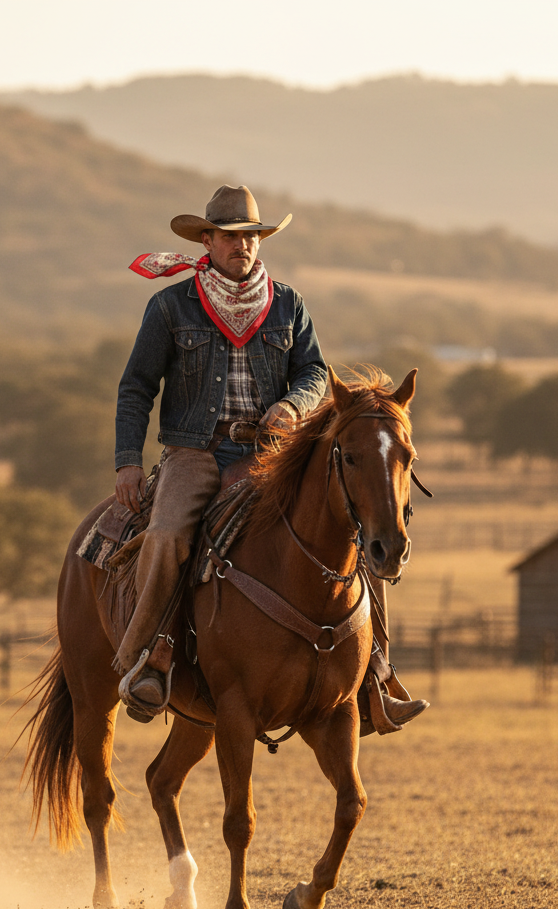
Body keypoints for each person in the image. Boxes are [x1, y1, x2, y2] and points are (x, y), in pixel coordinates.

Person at [113, 185, 422, 733]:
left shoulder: (287, 303)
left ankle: (376, 673)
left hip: (269, 451)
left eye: (251, 236)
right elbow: (137, 387)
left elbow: (312, 372)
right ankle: (150, 656)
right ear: (207, 240)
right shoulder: (169, 306)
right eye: (231, 237)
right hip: (194, 450)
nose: (243, 246)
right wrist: (127, 462)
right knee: (167, 533)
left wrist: (290, 404)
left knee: (351, 523)